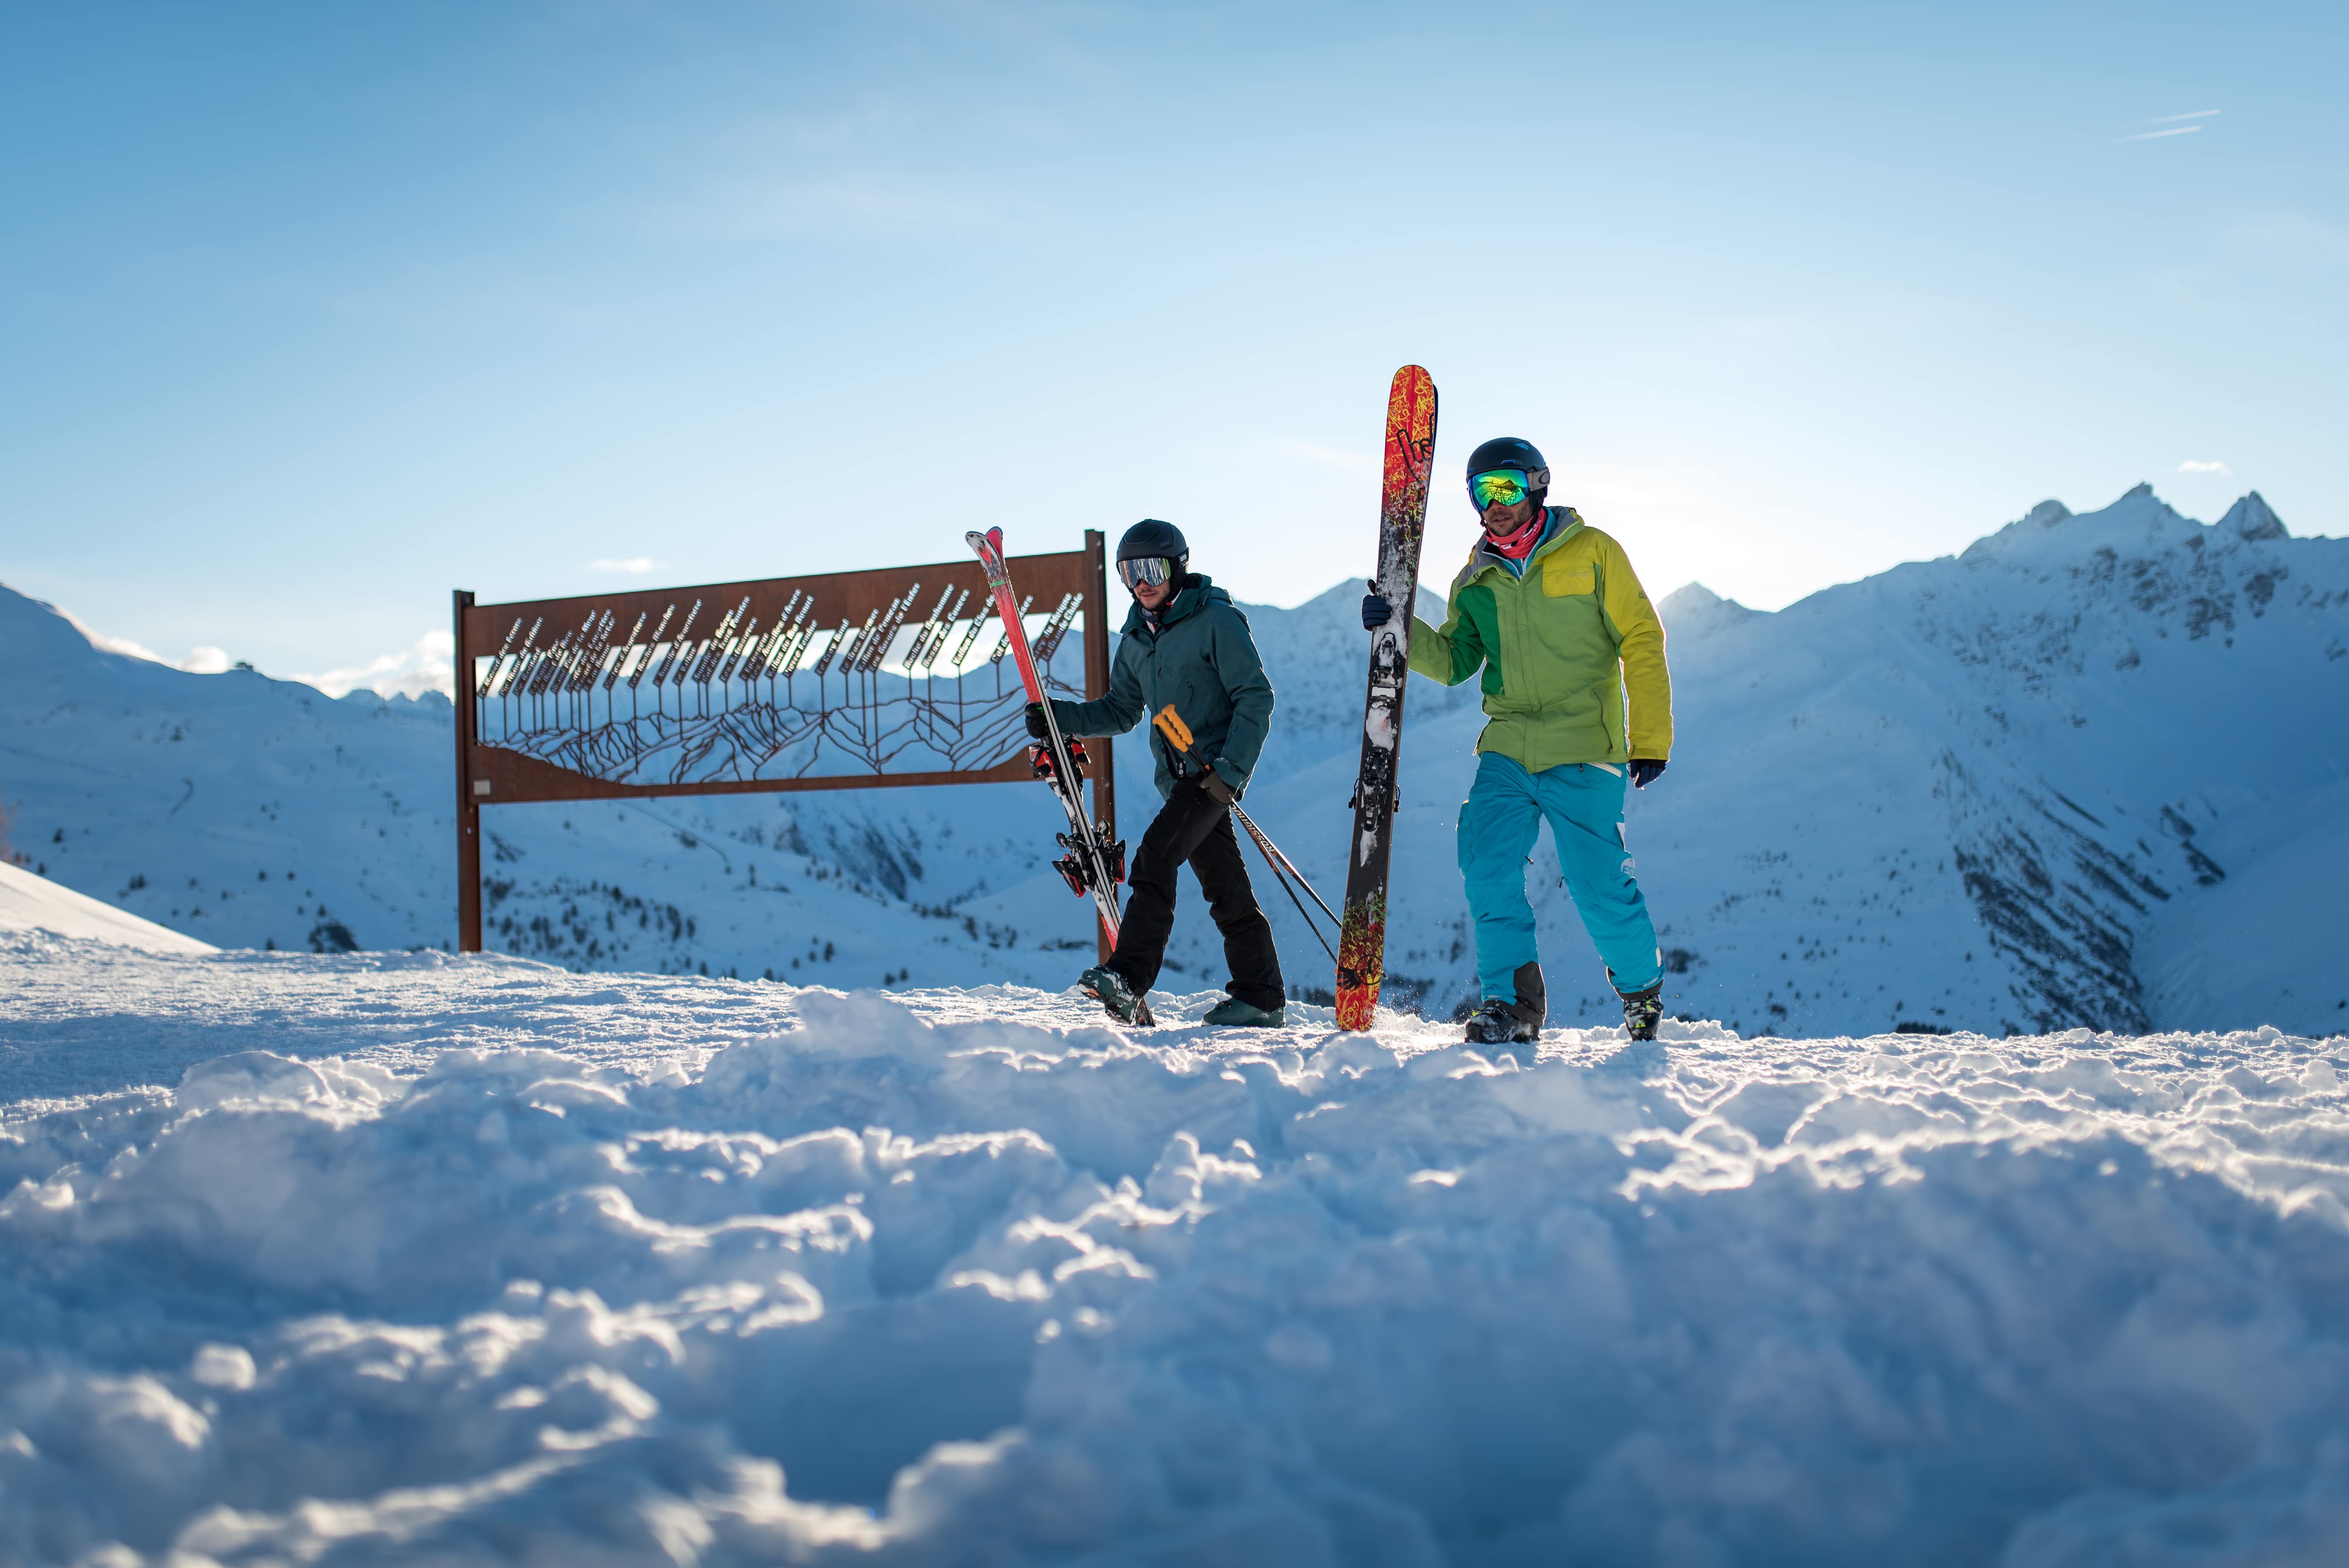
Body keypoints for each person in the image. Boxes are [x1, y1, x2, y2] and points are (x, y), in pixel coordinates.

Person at [1362, 437, 1674, 1048]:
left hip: (1585, 746)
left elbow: (1641, 637)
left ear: (1537, 485)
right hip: (1507, 747)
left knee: (1598, 884)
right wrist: (1400, 626)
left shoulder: (1592, 553)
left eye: (1506, 486)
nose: (1494, 502)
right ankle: (1511, 1005)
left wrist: (1650, 738)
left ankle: (1641, 993)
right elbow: (1455, 662)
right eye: (1482, 491)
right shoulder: (1475, 578)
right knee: (1486, 866)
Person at [1031, 519, 1284, 1027]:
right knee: (1225, 889)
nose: (1140, 581)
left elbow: (1255, 697)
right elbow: (1121, 711)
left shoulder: (1216, 621)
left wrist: (1230, 773)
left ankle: (1128, 977)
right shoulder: (1135, 640)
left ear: (1176, 568)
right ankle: (1260, 995)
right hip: (1180, 781)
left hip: (1209, 775)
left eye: (1150, 568)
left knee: (1153, 860)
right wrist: (1061, 715)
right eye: (1129, 571)